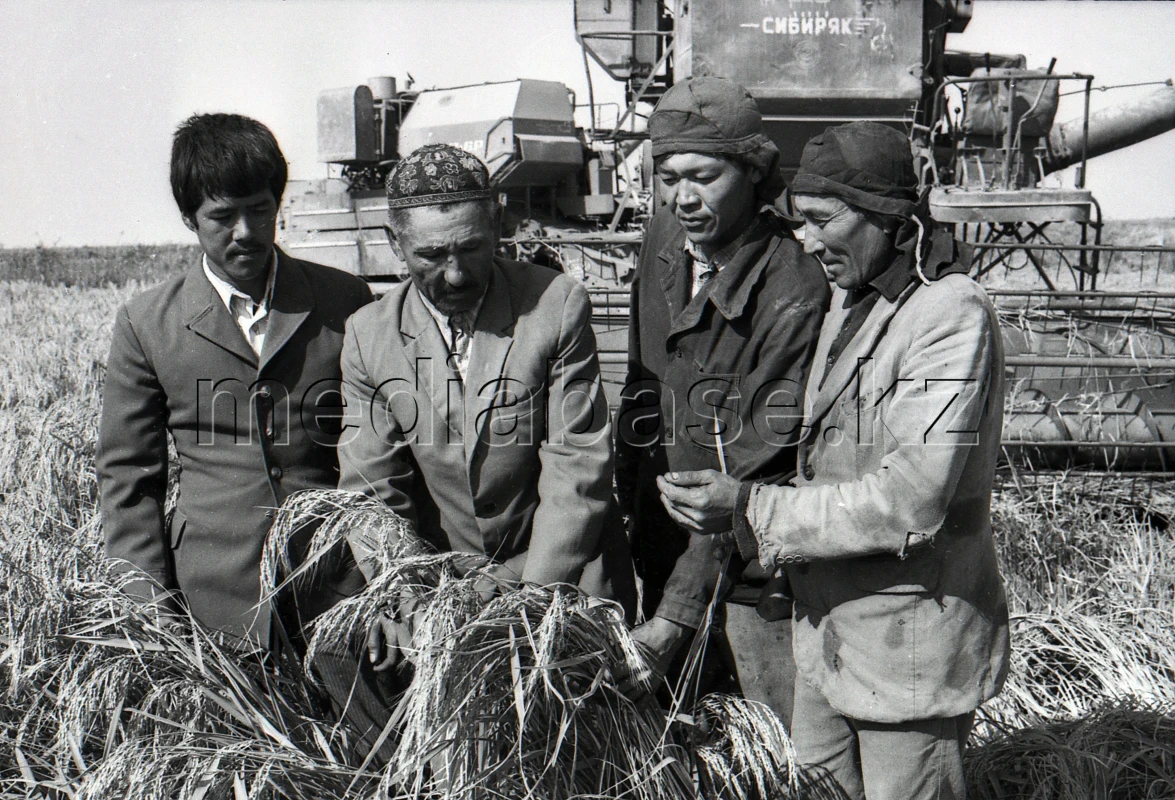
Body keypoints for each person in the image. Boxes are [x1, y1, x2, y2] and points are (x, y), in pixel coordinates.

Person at [657, 121, 1011, 800]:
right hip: (828, 633)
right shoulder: (854, 298)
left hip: (906, 643)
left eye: (822, 220)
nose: (806, 240)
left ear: (887, 215)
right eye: (800, 221)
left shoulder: (947, 315)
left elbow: (910, 503)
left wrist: (749, 505)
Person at [97, 113, 385, 745]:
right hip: (216, 606)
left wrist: (387, 586)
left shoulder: (344, 301)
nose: (246, 232)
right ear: (188, 217)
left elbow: (381, 453)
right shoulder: (148, 324)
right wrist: (150, 614)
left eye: (260, 209)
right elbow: (128, 481)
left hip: (339, 594)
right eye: (222, 216)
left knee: (373, 764)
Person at [338, 144, 635, 669]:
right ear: (394, 243)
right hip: (446, 596)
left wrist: (529, 600)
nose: (454, 275)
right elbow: (372, 492)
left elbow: (577, 467)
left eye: (471, 249)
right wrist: (411, 603)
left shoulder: (556, 305)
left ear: (497, 223)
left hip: (563, 581)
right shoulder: (367, 336)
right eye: (430, 256)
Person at [613, 76, 830, 722]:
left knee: (771, 744)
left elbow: (748, 471)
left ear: (752, 170)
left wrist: (674, 619)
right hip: (661, 547)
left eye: (703, 176)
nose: (682, 196)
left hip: (753, 577)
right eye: (667, 175)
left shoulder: (791, 287)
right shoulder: (660, 242)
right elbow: (638, 392)